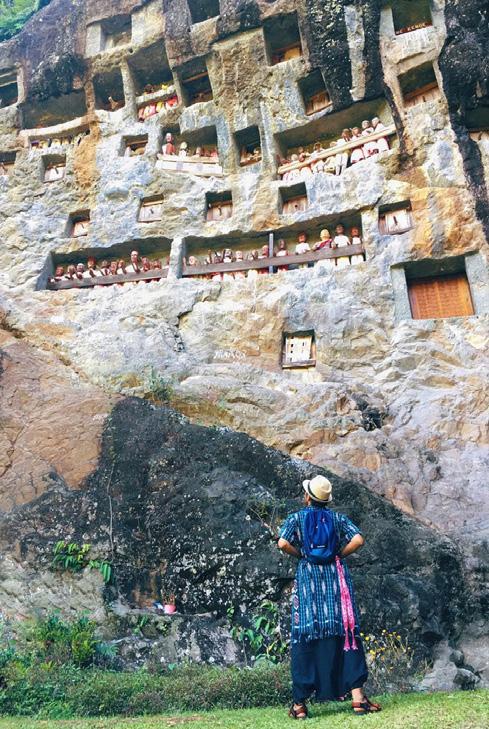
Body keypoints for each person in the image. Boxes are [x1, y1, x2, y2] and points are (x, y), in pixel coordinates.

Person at [278, 475, 381, 720]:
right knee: (346, 632)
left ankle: (300, 705)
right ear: (326, 500)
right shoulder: (337, 519)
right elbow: (358, 539)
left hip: (309, 583)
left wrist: (301, 555)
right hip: (336, 581)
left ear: (307, 497)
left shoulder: (296, 518)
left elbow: (282, 543)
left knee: (305, 634)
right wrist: (340, 555)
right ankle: (358, 698)